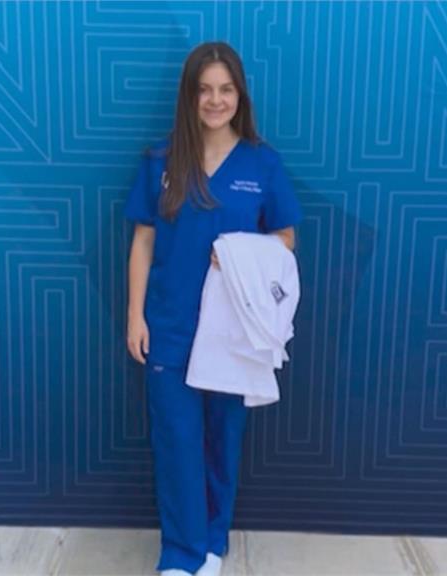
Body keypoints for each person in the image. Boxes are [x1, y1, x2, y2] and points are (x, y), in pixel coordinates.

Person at [124, 41, 302, 576]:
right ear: (190, 96)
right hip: (170, 327)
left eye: (226, 89)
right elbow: (143, 240)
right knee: (176, 442)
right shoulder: (161, 161)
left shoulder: (262, 163)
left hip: (234, 333)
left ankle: (210, 546)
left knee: (222, 440)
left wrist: (241, 253)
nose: (215, 100)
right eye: (204, 90)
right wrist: (135, 315)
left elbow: (286, 239)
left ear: (239, 95)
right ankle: (180, 554)